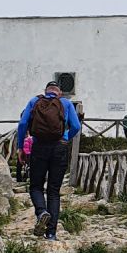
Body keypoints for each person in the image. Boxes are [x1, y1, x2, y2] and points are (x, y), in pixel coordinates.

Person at [16, 80, 82, 238]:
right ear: (59, 92)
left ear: (45, 91)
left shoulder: (34, 101)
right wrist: (65, 138)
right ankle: (51, 234)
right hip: (59, 148)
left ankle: (41, 212)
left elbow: (23, 123)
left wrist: (21, 147)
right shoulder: (65, 103)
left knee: (36, 186)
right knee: (53, 191)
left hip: (39, 146)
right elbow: (76, 126)